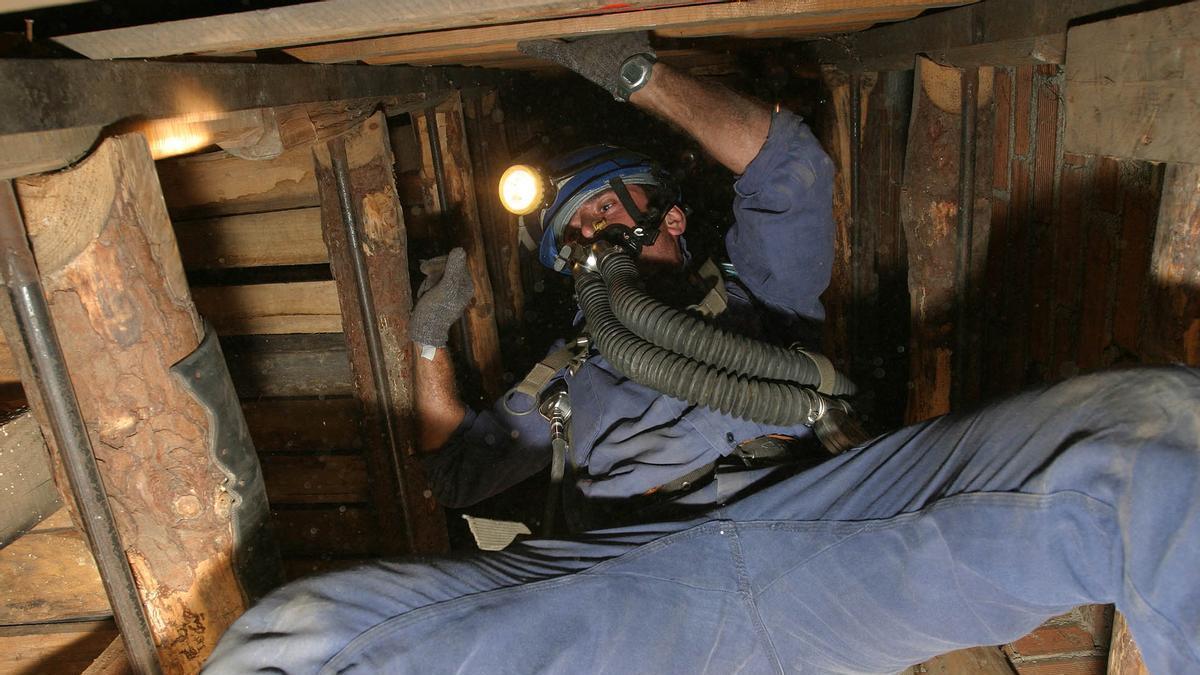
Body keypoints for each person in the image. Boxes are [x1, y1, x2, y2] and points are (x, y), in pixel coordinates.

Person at [203, 34, 1200, 674]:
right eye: (570, 231)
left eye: (603, 204)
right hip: (618, 580)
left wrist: (641, 76)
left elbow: (791, 171)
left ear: (671, 212)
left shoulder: (760, 297)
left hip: (822, 531)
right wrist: (429, 339)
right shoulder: (566, 374)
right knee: (308, 637)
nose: (590, 233)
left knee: (1148, 436)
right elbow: (461, 468)